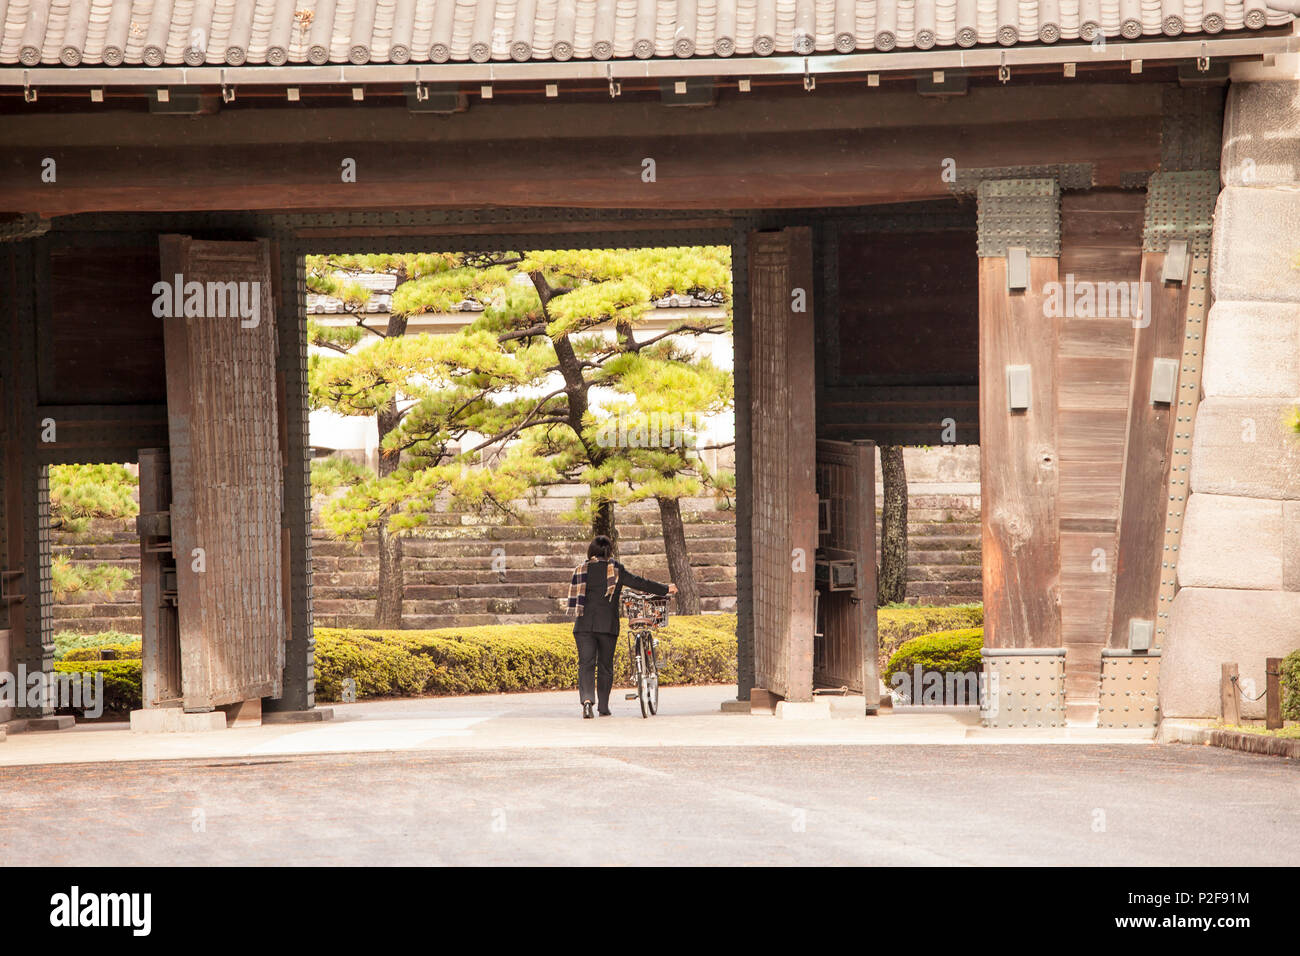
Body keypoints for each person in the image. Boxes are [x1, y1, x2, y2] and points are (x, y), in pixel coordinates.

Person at [567, 535, 676, 718]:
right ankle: (603, 706)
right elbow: (640, 583)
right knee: (605, 666)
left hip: (583, 626)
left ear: (591, 551)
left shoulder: (580, 570)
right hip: (607, 625)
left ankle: (587, 702)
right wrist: (665, 588)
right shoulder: (616, 570)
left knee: (586, 664)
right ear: (609, 551)